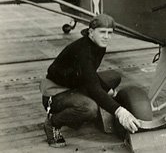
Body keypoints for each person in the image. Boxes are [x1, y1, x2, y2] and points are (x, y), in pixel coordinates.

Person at [39, 14, 141, 147]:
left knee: (114, 78)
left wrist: (109, 92)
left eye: (110, 33)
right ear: (91, 32)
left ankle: (92, 102)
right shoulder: (83, 51)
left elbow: (89, 74)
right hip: (55, 93)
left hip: (75, 83)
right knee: (89, 108)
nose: (106, 36)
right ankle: (53, 123)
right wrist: (119, 111)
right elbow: (93, 86)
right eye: (102, 32)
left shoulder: (98, 45)